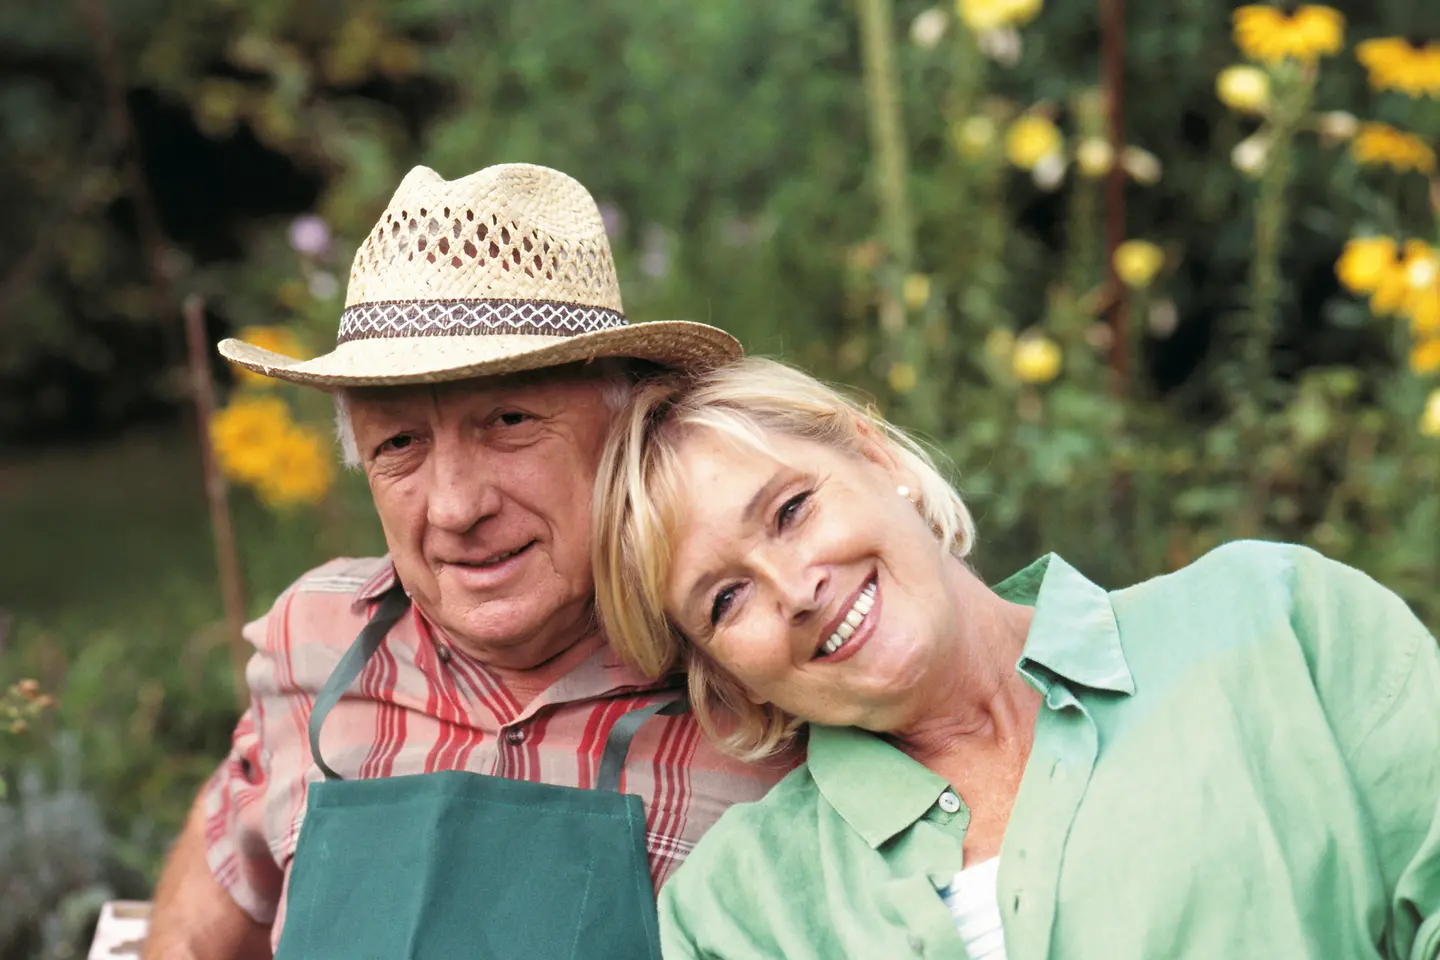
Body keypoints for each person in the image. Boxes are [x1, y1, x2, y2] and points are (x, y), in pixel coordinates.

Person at [141, 164, 791, 960]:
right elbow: (220, 862)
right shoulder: (314, 638)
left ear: (628, 424)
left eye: (509, 420)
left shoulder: (755, 665)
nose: (454, 507)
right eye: (399, 442)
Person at [592, 357, 1440, 960]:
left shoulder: (1277, 621)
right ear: (724, 674)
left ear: (878, 458)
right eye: (725, 600)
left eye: (791, 511)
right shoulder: (739, 913)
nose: (795, 589)